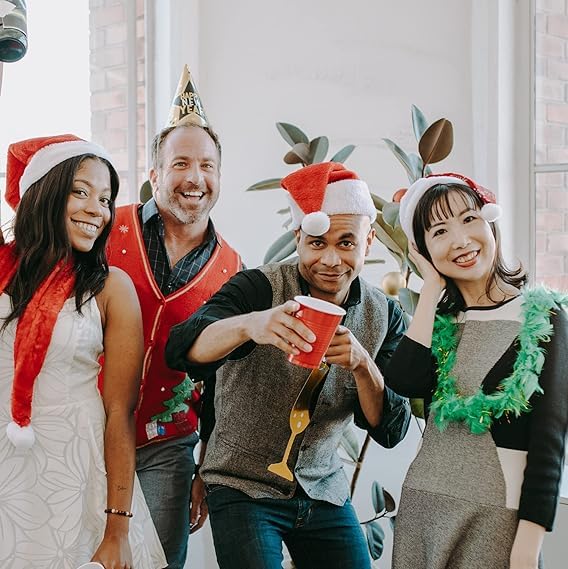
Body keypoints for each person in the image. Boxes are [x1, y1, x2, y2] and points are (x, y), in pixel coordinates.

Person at [165, 162, 412, 569]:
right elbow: (182, 348)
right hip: (241, 485)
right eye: (316, 243)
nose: (330, 259)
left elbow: (390, 429)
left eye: (346, 243)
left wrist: (363, 365)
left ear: (368, 241)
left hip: (323, 489)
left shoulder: (385, 315)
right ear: (298, 237)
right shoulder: (258, 288)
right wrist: (250, 324)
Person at [383, 173, 568, 569]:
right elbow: (403, 381)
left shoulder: (541, 316)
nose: (461, 240)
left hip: (495, 520)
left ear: (490, 222)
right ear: (424, 251)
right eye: (439, 231)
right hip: (422, 512)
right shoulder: (439, 323)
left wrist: (528, 545)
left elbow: (549, 441)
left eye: (469, 219)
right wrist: (430, 289)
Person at [0, 134, 166, 569]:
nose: (98, 210)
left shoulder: (110, 288)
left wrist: (117, 531)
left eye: (106, 199)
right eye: (80, 192)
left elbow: (119, 412)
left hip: (76, 483)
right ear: (44, 194)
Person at [105, 65, 241, 569]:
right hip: (87, 426)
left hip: (168, 446)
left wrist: (206, 466)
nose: (194, 178)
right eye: (180, 163)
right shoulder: (106, 229)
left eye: (207, 165)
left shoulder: (235, 270)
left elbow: (225, 382)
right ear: (154, 174)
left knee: (158, 562)